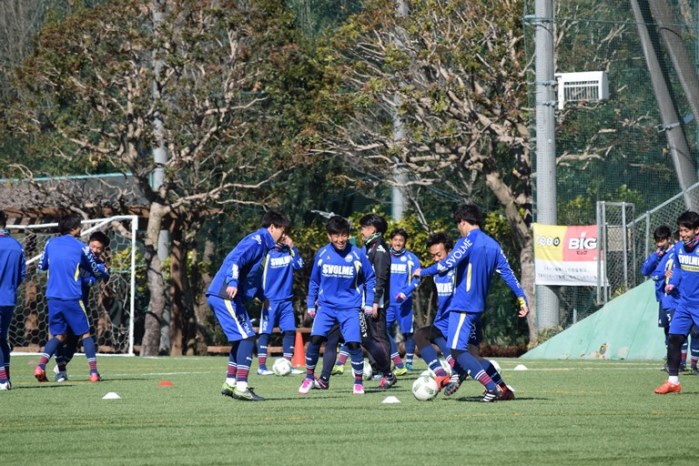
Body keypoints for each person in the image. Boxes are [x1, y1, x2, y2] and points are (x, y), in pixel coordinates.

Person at [414, 203, 528, 402]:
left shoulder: (466, 242)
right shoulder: (493, 245)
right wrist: (522, 298)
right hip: (477, 309)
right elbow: (508, 273)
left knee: (458, 351)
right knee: (470, 355)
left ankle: (490, 388)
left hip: (463, 306)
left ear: (463, 222)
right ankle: (501, 388)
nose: (459, 229)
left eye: (458, 225)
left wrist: (423, 272)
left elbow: (447, 263)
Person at [207, 210, 290, 401]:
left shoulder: (265, 246)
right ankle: (242, 387)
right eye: (282, 230)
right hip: (224, 293)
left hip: (230, 296)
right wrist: (232, 282)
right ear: (272, 227)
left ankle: (231, 383)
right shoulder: (256, 241)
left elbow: (252, 275)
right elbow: (234, 260)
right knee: (247, 337)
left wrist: (262, 295)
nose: (284, 235)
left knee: (242, 339)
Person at [299, 215, 375, 395]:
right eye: (336, 235)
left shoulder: (357, 254)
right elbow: (314, 281)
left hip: (350, 308)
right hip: (326, 307)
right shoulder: (322, 254)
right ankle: (309, 377)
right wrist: (310, 304)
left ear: (348, 235)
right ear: (329, 236)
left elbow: (370, 278)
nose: (340, 239)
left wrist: (369, 303)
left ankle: (358, 382)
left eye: (344, 235)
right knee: (315, 339)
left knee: (354, 344)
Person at [33, 214, 109, 383]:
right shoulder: (81, 247)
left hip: (53, 296)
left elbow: (41, 266)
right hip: (73, 298)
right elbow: (95, 271)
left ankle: (41, 366)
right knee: (85, 334)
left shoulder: (50, 243)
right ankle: (93, 372)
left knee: (58, 336)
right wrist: (102, 274)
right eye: (79, 226)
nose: (81, 229)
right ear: (74, 228)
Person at [323, 214, 396, 389]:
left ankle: (387, 373)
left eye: (364, 227)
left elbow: (380, 279)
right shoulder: (370, 247)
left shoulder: (380, 250)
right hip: (362, 303)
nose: (361, 231)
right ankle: (325, 377)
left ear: (373, 229)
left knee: (377, 339)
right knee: (356, 337)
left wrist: (375, 302)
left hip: (375, 304)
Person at [53, 231, 110, 382]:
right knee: (59, 335)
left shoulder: (98, 265)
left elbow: (94, 279)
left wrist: (100, 273)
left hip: (79, 304)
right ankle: (60, 370)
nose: (95, 250)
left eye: (99, 248)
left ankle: (60, 366)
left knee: (73, 341)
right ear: (88, 244)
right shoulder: (76, 256)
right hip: (63, 301)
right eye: (93, 246)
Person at [655, 210, 699, 394]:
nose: (683, 234)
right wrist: (672, 283)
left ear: (697, 230)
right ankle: (673, 382)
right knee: (674, 338)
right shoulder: (679, 248)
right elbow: (679, 269)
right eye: (681, 231)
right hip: (684, 304)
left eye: (686, 231)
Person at [256, 235, 304, 375]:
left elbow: (299, 265)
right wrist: (259, 294)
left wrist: (292, 246)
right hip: (270, 300)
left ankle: (288, 365)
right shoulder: (267, 253)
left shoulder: (288, 252)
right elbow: (257, 274)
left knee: (289, 331)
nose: (284, 238)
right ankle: (261, 367)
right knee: (265, 332)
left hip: (286, 301)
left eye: (285, 235)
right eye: (281, 236)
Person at [387, 228, 421, 374]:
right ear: (391, 241)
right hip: (387, 304)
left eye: (401, 240)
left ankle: (409, 362)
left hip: (404, 303)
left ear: (405, 242)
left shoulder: (412, 259)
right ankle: (394, 358)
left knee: (407, 332)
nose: (398, 243)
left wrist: (405, 293)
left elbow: (416, 281)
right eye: (395, 240)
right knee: (381, 331)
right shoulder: (385, 257)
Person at [0, 210, 26, 391]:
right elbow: (21, 275)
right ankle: (6, 378)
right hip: (8, 298)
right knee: (2, 337)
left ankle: (2, 380)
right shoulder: (16, 246)